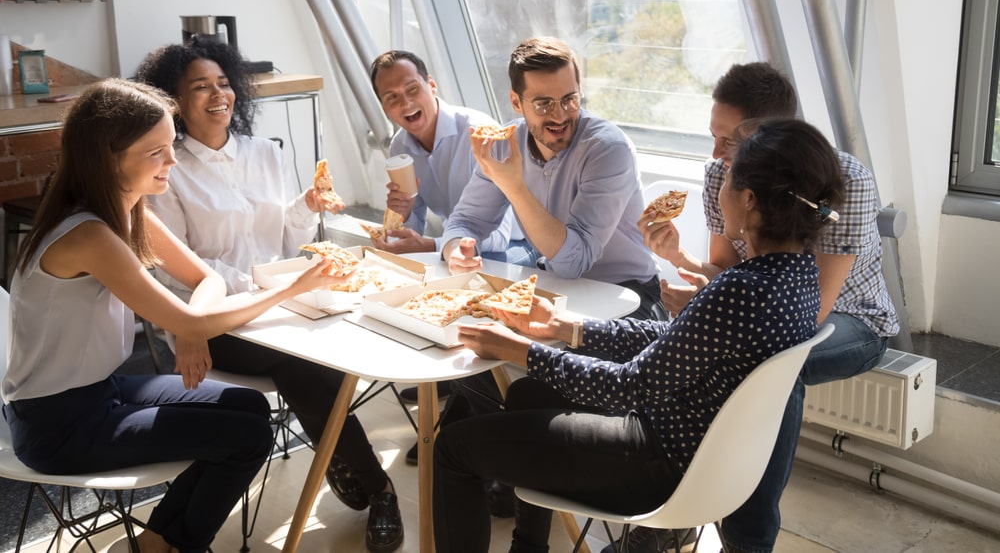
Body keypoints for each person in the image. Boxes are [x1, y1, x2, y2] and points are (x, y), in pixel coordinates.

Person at [431, 118, 847, 553]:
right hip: (698, 452)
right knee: (530, 396)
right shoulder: (796, 277)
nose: (719, 186)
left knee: (453, 448)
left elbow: (628, 386)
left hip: (658, 463)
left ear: (748, 200)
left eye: (727, 177)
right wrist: (566, 328)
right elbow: (675, 339)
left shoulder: (741, 289)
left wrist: (523, 350)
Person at [1, 78, 350, 553]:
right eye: (156, 152)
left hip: (102, 391)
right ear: (109, 157)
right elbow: (196, 314)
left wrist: (190, 330)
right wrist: (294, 287)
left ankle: (159, 540)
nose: (172, 162)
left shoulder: (129, 211)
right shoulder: (89, 235)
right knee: (245, 436)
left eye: (171, 146)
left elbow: (209, 281)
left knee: (249, 408)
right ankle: (172, 545)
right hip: (57, 423)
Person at [134, 38, 403, 553]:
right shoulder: (167, 169)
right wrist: (261, 285)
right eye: (200, 87)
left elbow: (282, 235)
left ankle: (339, 459)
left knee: (334, 349)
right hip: (217, 318)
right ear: (174, 100)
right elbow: (178, 272)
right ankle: (377, 485)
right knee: (303, 363)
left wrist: (304, 205)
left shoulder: (263, 153)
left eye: (224, 82)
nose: (219, 95)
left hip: (284, 300)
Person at [627, 61, 899, 553]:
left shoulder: (843, 180)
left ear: (771, 135)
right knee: (707, 343)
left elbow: (809, 312)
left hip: (853, 319)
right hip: (767, 312)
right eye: (713, 137)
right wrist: (679, 260)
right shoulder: (720, 177)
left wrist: (707, 313)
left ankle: (746, 542)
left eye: (727, 141)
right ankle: (675, 502)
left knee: (773, 367)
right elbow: (727, 273)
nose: (715, 155)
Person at [441, 36, 667, 321]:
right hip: (556, 286)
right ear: (515, 101)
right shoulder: (505, 143)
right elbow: (466, 221)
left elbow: (575, 262)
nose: (560, 116)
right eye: (544, 104)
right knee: (460, 328)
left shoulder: (608, 149)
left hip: (629, 297)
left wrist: (514, 187)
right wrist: (455, 251)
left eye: (569, 100)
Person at [368, 49, 514, 259]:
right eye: (392, 97)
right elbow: (412, 234)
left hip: (515, 245)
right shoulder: (399, 147)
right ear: (384, 107)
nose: (406, 103)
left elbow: (500, 238)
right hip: (458, 242)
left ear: (432, 85)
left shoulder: (481, 134)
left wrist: (433, 245)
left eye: (413, 89)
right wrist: (405, 213)